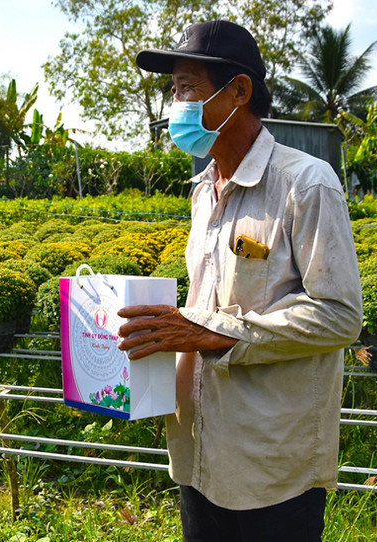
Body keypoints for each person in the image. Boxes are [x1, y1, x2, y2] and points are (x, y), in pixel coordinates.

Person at [117, 20, 363, 542]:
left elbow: (340, 315)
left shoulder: (306, 183)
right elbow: (208, 304)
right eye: (172, 89)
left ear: (239, 91)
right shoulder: (203, 190)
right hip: (198, 452)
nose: (174, 104)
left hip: (271, 463)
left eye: (186, 87)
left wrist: (215, 332)